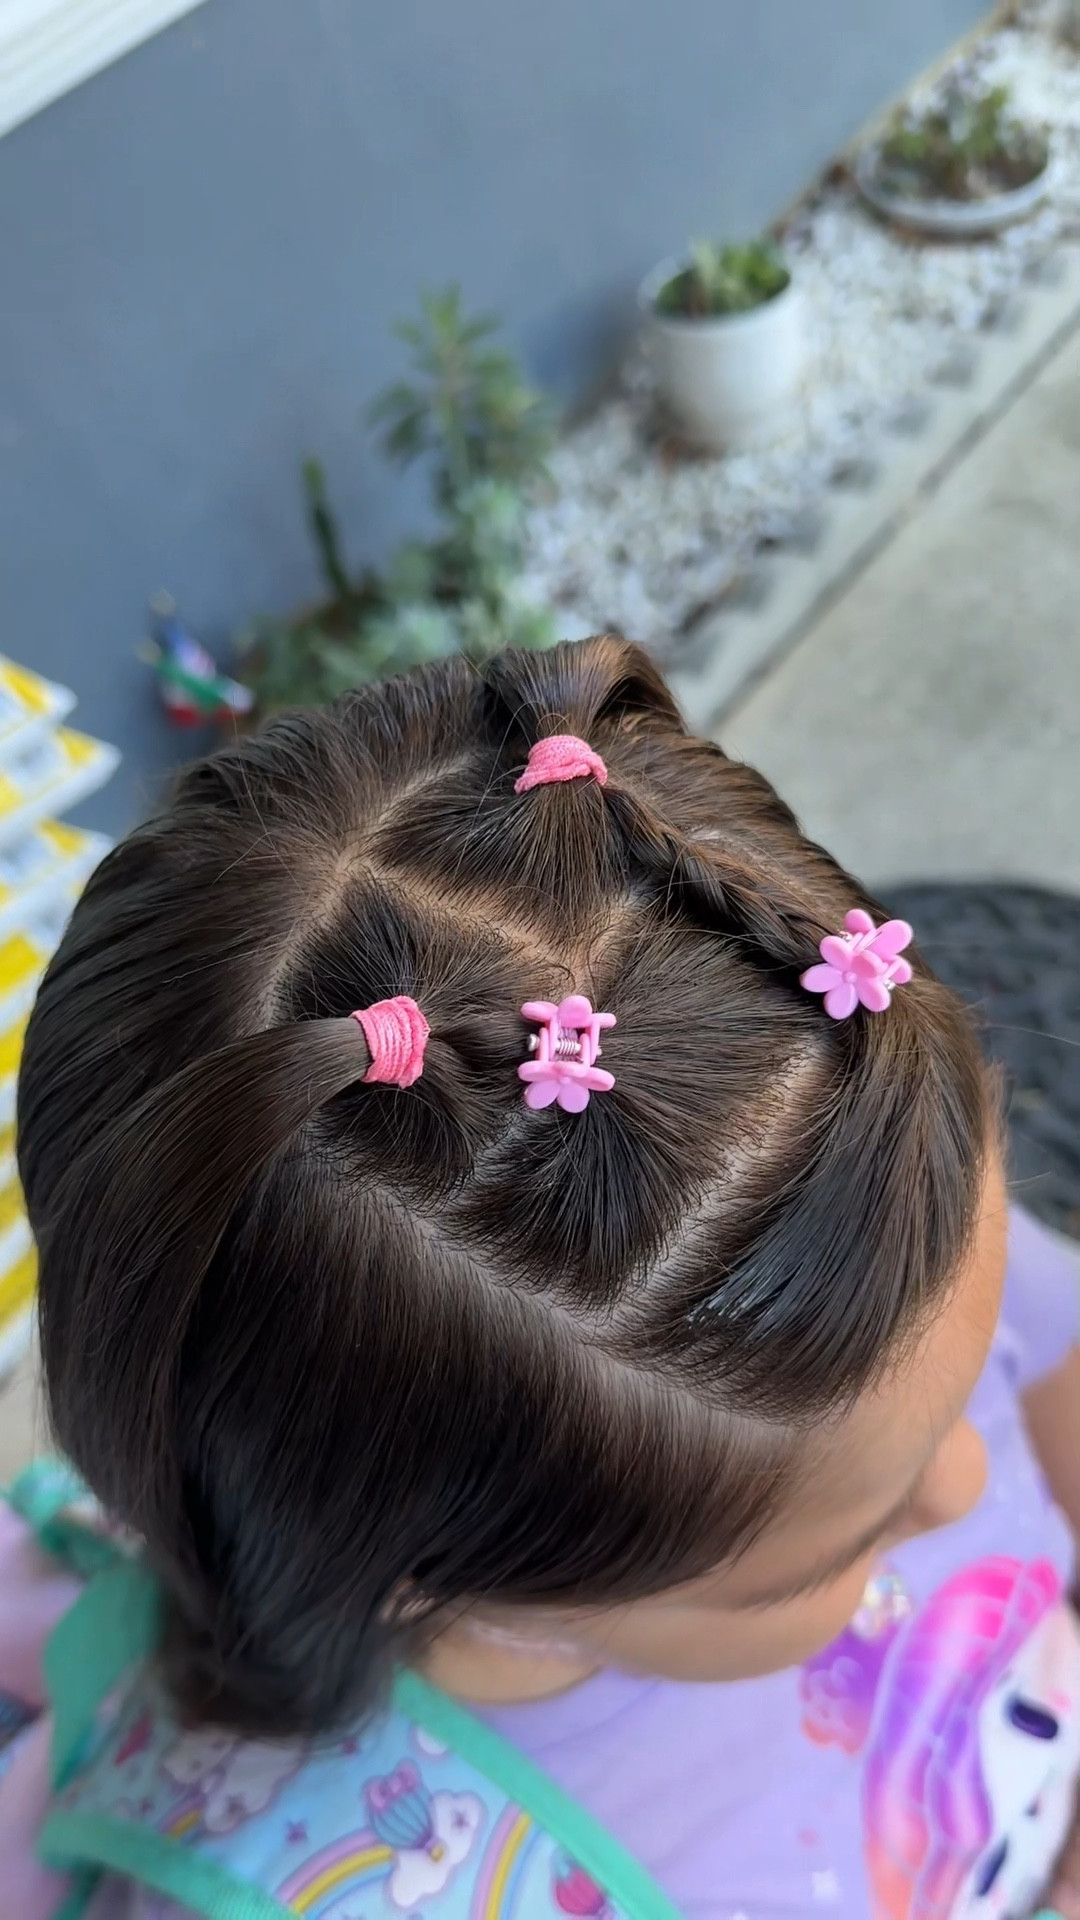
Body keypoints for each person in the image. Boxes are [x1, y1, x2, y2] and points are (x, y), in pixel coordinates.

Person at [1, 633, 1079, 1920]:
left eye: (975, 1353)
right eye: (815, 1562)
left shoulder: (857, 1253)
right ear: (436, 1566)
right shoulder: (380, 1881)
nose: (969, 1480)